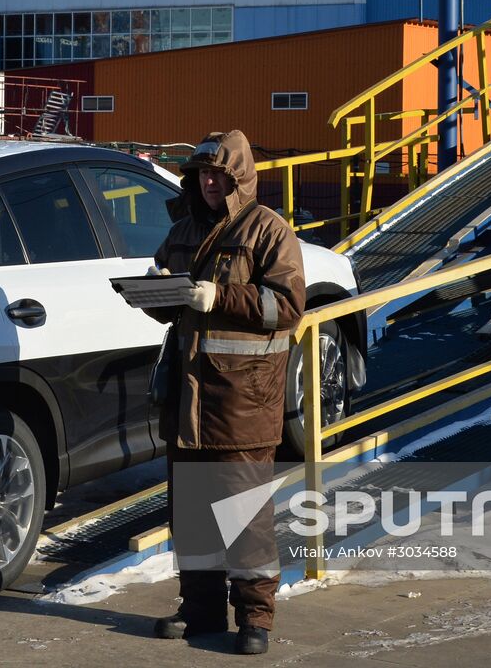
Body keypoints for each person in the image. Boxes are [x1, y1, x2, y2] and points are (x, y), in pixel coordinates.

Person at [142, 130, 305, 656]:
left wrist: (220, 296)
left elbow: (286, 307)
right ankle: (202, 609)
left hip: (243, 399)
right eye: (202, 175)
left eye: (218, 175)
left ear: (238, 178)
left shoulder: (268, 230)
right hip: (189, 398)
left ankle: (255, 619)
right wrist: (153, 289)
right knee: (191, 511)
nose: (209, 183)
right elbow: (171, 301)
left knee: (244, 514)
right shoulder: (184, 229)